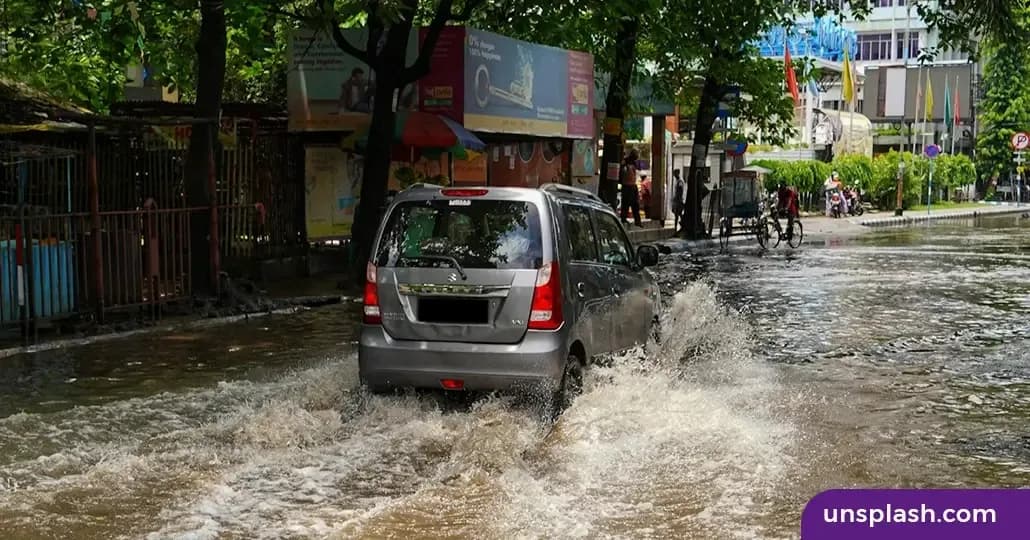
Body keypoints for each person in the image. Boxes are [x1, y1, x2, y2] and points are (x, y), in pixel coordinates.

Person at [620, 150, 641, 226]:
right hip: (627, 185)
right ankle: (623, 218)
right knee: (626, 203)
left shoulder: (634, 163)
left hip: (632, 185)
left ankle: (637, 221)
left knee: (635, 204)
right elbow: (623, 172)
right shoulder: (625, 162)